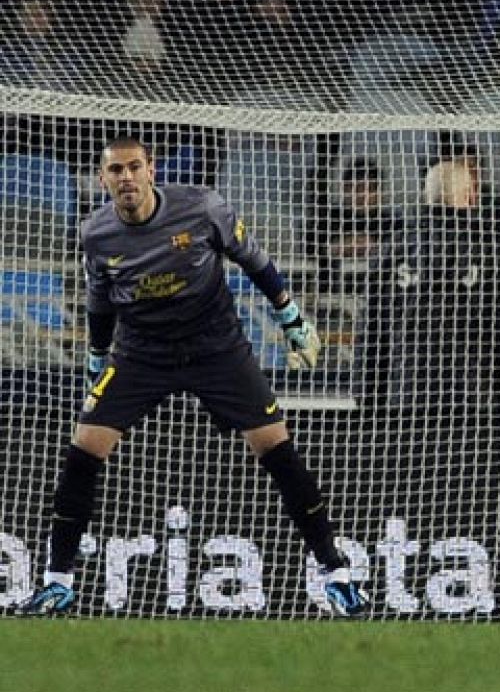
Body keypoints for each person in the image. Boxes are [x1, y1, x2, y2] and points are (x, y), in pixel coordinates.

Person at [17, 137, 370, 617]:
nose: (126, 178)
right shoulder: (96, 234)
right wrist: (98, 355)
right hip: (141, 353)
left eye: (134, 167)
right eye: (115, 170)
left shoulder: (202, 208)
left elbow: (255, 260)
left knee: (276, 449)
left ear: (151, 171)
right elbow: (100, 301)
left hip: (216, 347)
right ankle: (57, 580)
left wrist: (290, 316)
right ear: (102, 180)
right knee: (84, 448)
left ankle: (337, 574)